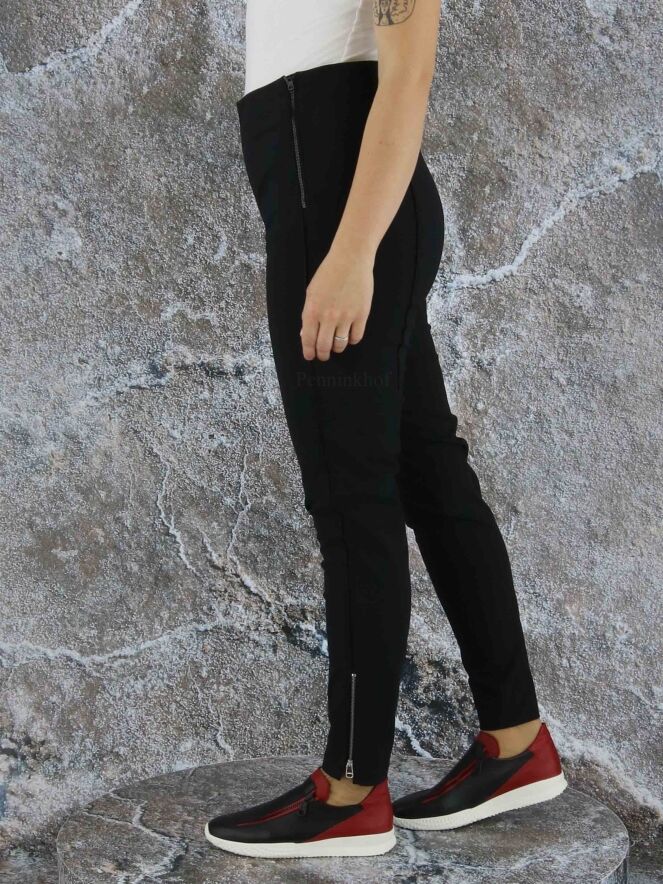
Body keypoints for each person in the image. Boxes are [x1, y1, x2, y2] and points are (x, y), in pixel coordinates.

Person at [205, 0, 567, 859]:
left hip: (344, 209)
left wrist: (348, 255)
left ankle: (350, 790)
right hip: (325, 186)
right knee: (428, 476)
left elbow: (408, 76)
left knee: (351, 496)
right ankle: (515, 742)